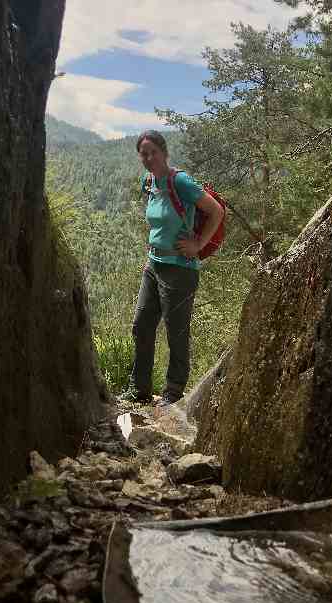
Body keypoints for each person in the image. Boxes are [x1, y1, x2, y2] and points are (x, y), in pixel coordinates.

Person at [123, 130, 226, 407]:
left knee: (176, 331)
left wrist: (198, 244)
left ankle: (173, 393)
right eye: (143, 154)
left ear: (164, 152)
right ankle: (139, 389)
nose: (148, 158)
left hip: (180, 268)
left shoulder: (180, 181)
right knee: (142, 325)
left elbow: (217, 211)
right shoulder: (150, 182)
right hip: (154, 264)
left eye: (152, 152)